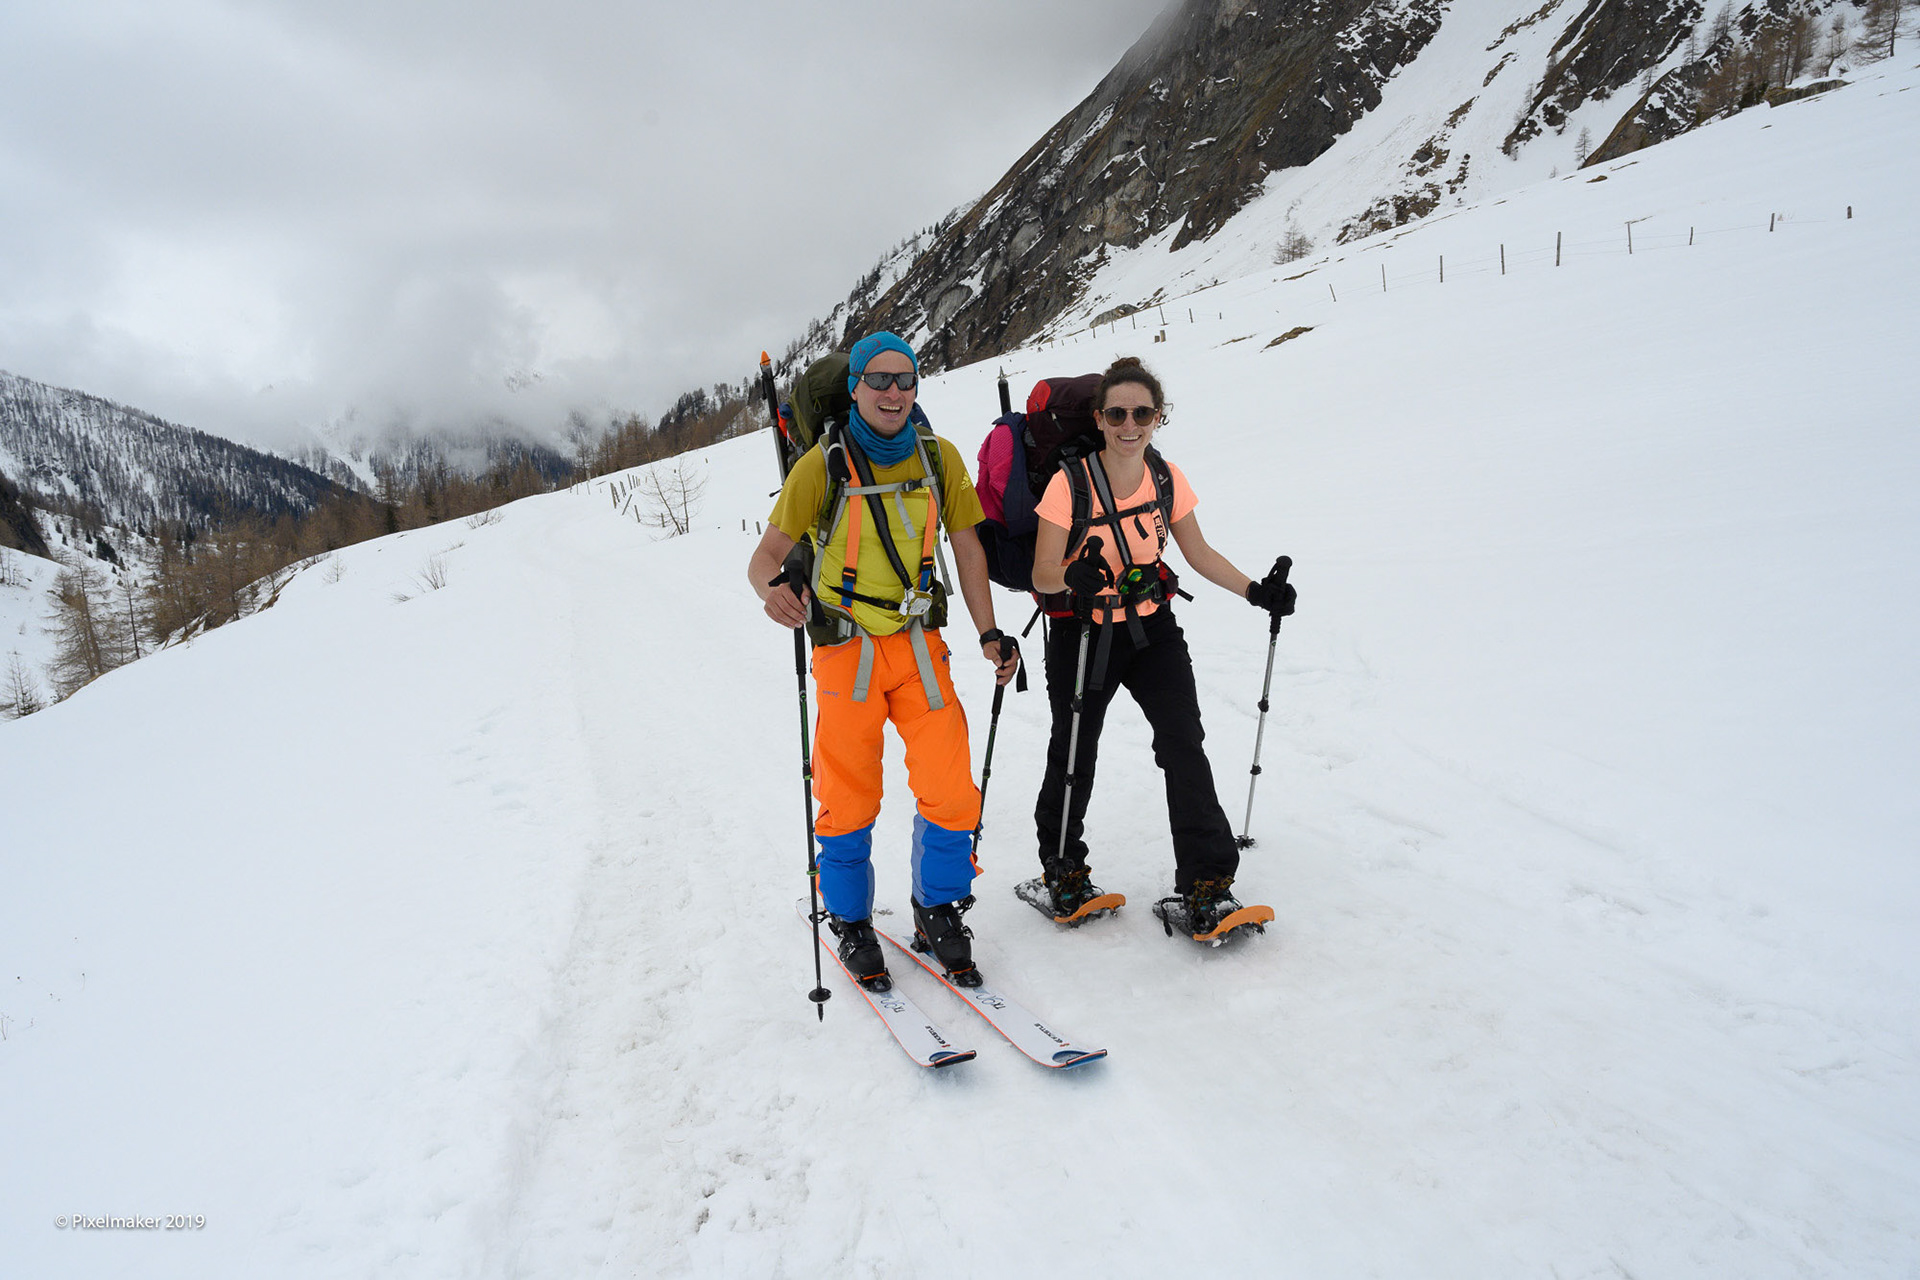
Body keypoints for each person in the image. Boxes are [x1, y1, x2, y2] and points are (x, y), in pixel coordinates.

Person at [748, 331, 1020, 991]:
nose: (894, 392)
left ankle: (937, 909)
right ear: (856, 387)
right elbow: (763, 559)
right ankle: (850, 918)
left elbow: (968, 550)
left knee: (952, 787)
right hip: (846, 650)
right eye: (879, 380)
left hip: (920, 645)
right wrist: (774, 591)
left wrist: (989, 632)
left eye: (906, 380)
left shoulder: (939, 458)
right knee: (847, 793)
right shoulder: (820, 466)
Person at [1027, 356, 1295, 934]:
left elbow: (1196, 553)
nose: (1131, 424)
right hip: (1083, 634)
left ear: (1158, 417)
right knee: (1075, 752)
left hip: (1153, 631)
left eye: (1142, 413)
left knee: (1183, 744)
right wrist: (1072, 578)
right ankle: (1063, 871)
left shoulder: (1165, 476)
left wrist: (1256, 591)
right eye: (1118, 413)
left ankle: (1206, 884)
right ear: (1099, 418)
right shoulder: (1068, 483)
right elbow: (1042, 571)